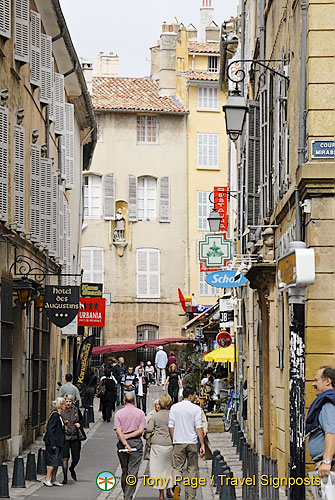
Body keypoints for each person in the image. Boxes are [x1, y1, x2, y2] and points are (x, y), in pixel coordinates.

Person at [168, 387, 205, 500]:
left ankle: (176, 485)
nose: (195, 397)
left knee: (177, 468)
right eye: (194, 395)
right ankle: (190, 495)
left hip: (178, 441)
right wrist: (202, 444)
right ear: (190, 396)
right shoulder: (195, 409)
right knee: (192, 468)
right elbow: (199, 427)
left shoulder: (174, 408)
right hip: (192, 442)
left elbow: (170, 426)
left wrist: (174, 439)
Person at [305, 366, 335, 500]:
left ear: (327, 381)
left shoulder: (327, 404)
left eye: (316, 380)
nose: (313, 384)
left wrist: (327, 461)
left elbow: (331, 432)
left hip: (327, 466)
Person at [114, 392, 146, 500]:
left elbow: (118, 431)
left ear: (124, 401)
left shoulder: (119, 413)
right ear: (134, 401)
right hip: (136, 443)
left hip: (121, 444)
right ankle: (128, 495)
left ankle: (125, 491)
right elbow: (141, 430)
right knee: (133, 470)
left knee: (125, 469)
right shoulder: (140, 413)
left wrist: (124, 441)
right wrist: (128, 438)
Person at [147, 394, 173, 500]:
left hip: (157, 444)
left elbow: (149, 429)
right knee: (169, 469)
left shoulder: (155, 416)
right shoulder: (172, 414)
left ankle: (161, 494)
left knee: (158, 469)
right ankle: (168, 490)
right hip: (170, 443)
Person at [43, 397, 66, 487]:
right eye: (63, 404)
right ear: (61, 405)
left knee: (57, 462)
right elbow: (50, 430)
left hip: (59, 442)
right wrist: (52, 443)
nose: (65, 406)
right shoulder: (55, 415)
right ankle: (47, 479)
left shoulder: (59, 415)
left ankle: (54, 479)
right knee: (52, 461)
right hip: (54, 442)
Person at [61, 394, 84, 484]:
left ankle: (72, 468)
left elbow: (81, 420)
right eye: (66, 401)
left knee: (76, 458)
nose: (68, 403)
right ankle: (65, 477)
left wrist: (79, 424)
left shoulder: (76, 411)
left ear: (72, 402)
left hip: (75, 438)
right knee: (65, 458)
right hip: (65, 438)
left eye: (70, 401)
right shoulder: (61, 412)